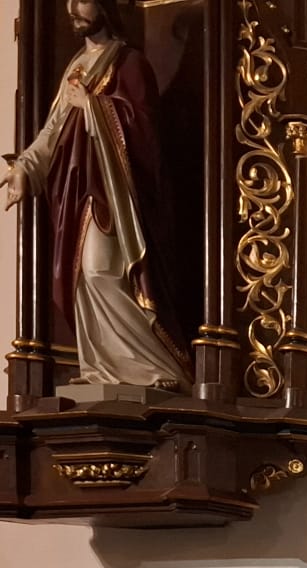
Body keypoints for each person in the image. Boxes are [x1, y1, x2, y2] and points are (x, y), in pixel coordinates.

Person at [1, 0, 189, 387]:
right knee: (81, 280)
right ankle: (101, 368)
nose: (73, 8)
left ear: (106, 6)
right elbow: (52, 132)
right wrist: (25, 168)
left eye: (83, 1)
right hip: (76, 191)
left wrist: (93, 107)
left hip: (114, 196)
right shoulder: (76, 65)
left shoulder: (130, 63)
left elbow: (145, 133)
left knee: (100, 270)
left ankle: (157, 367)